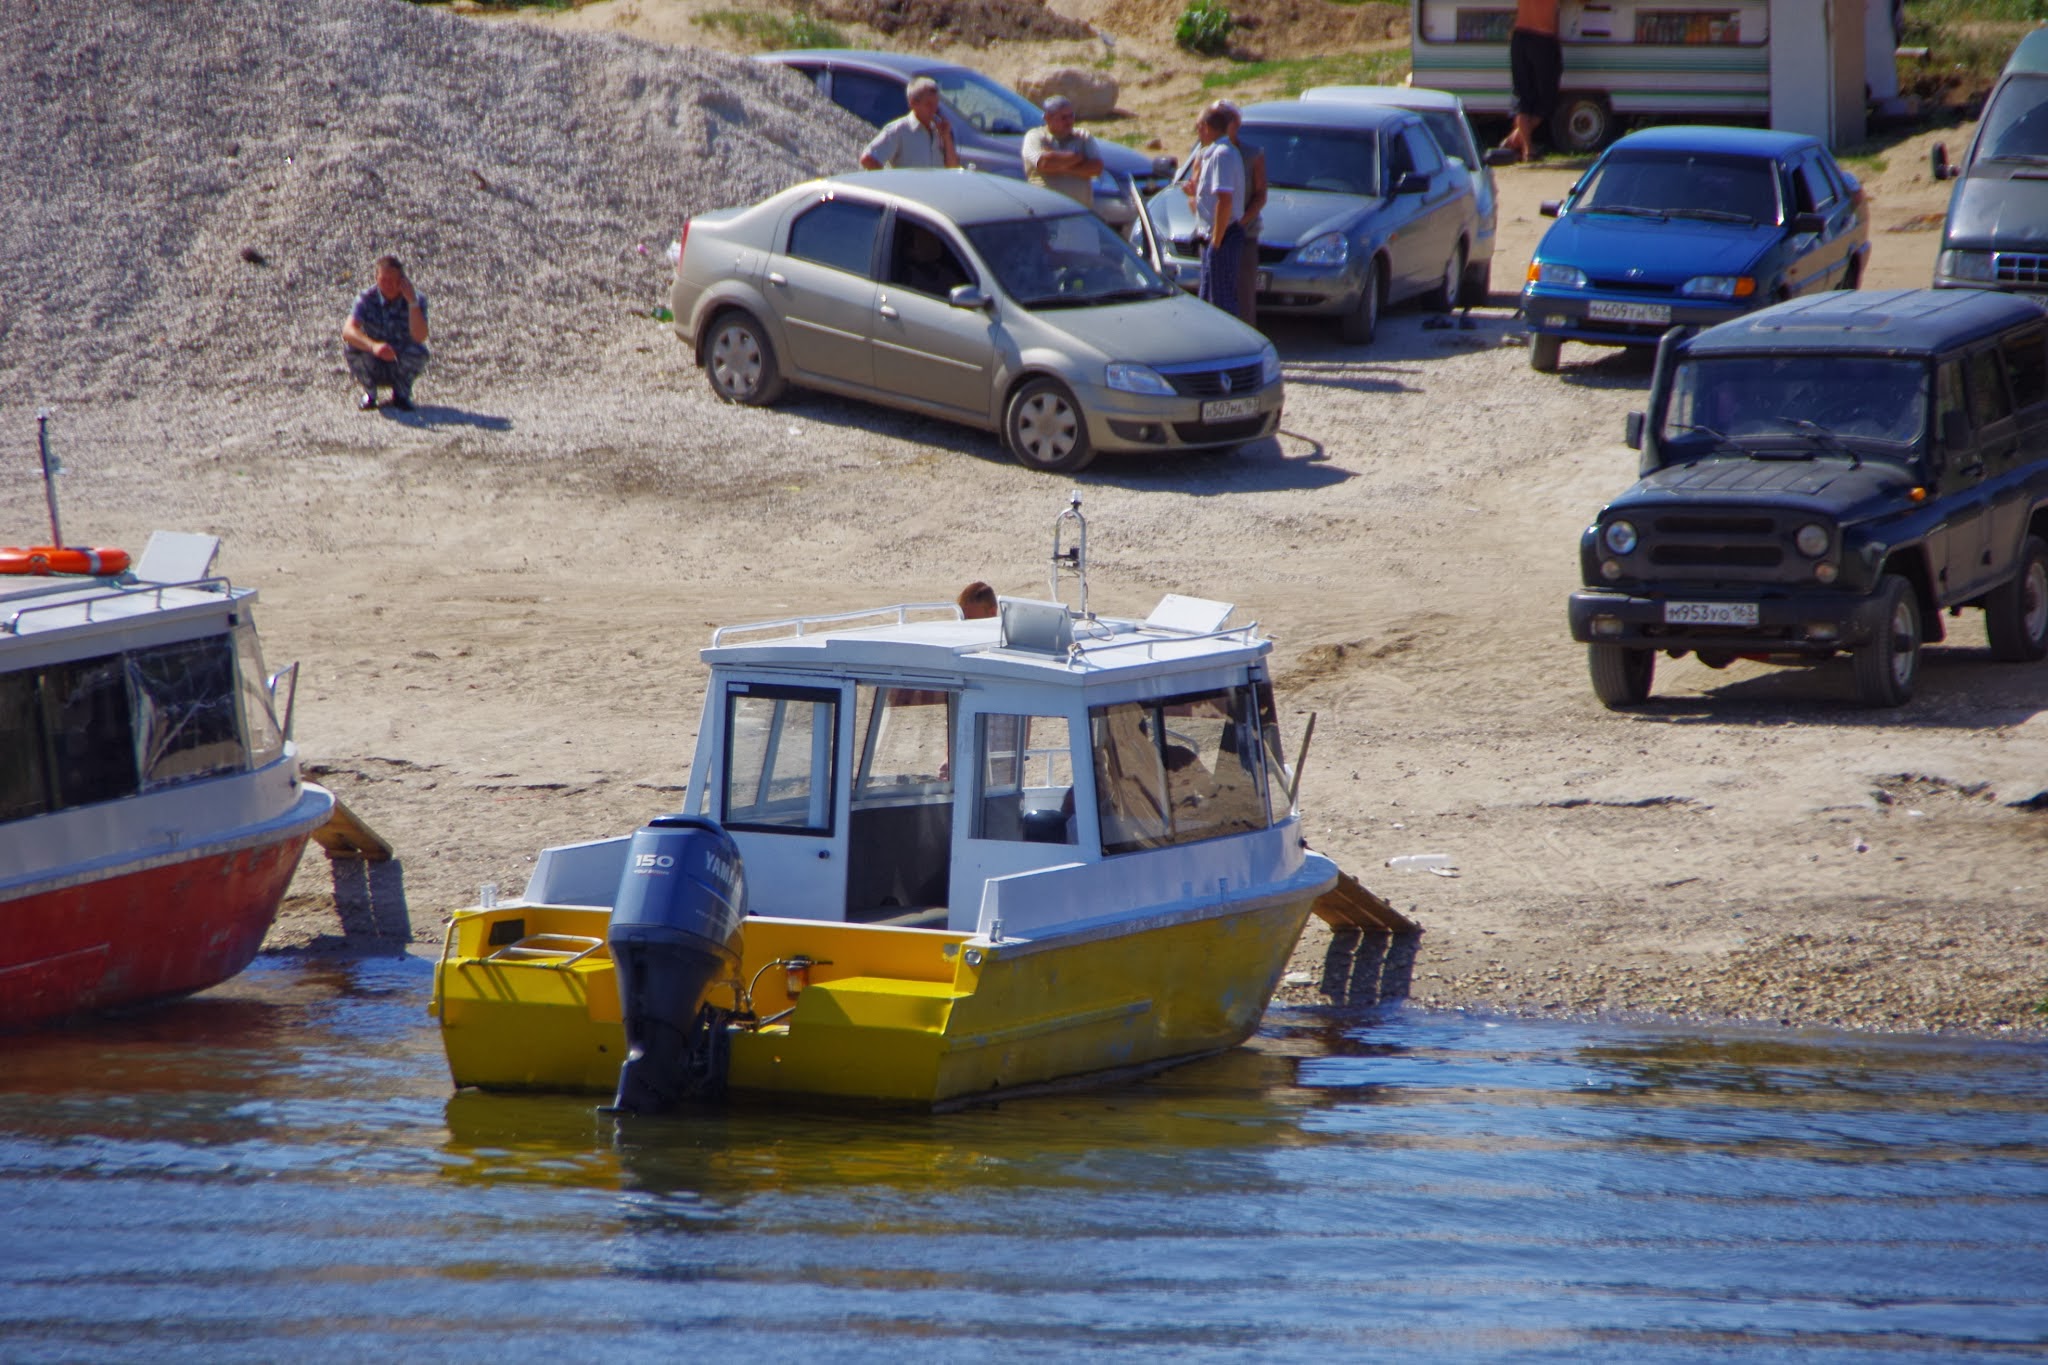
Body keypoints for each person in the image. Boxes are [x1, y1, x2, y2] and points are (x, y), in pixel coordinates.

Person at [341, 255, 429, 412]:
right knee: (351, 349)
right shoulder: (366, 298)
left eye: (392, 280)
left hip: (399, 357)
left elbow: (420, 336)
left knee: (419, 352)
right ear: (376, 279)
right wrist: (374, 346)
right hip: (374, 356)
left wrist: (412, 303)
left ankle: (401, 395)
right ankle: (370, 394)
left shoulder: (417, 299)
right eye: (383, 280)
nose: (388, 285)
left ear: (402, 280)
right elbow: (348, 331)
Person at [1184, 106, 1245, 317]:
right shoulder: (1210, 154)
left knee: (1220, 301)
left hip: (1223, 234)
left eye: (1198, 128)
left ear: (1206, 127)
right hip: (1212, 235)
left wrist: (1216, 242)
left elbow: (1225, 200)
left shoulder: (1222, 154)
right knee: (1207, 297)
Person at [1212, 101, 1267, 327]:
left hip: (1243, 234)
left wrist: (1239, 223)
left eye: (1225, 119)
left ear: (1235, 124)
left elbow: (1260, 194)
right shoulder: (1207, 153)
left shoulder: (1252, 155)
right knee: (1214, 294)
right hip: (1213, 235)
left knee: (1243, 297)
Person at [1501, 0, 1562, 163]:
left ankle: (1526, 149)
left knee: (1522, 94)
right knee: (1548, 98)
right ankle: (1517, 141)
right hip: (1543, 37)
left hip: (1520, 35)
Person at [1021, 95, 1103, 211]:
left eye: (1071, 116)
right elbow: (1045, 163)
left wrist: (1058, 164)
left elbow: (1096, 168)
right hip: (1046, 210)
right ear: (1047, 118)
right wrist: (1077, 157)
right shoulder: (1035, 137)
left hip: (1079, 212)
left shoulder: (1083, 137)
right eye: (1063, 118)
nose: (1069, 121)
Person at [860, 76, 959, 170]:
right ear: (913, 103)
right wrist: (891, 181)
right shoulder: (899, 130)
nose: (934, 109)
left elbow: (953, 169)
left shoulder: (940, 130)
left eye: (936, 103)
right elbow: (868, 159)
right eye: (928, 104)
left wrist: (946, 138)